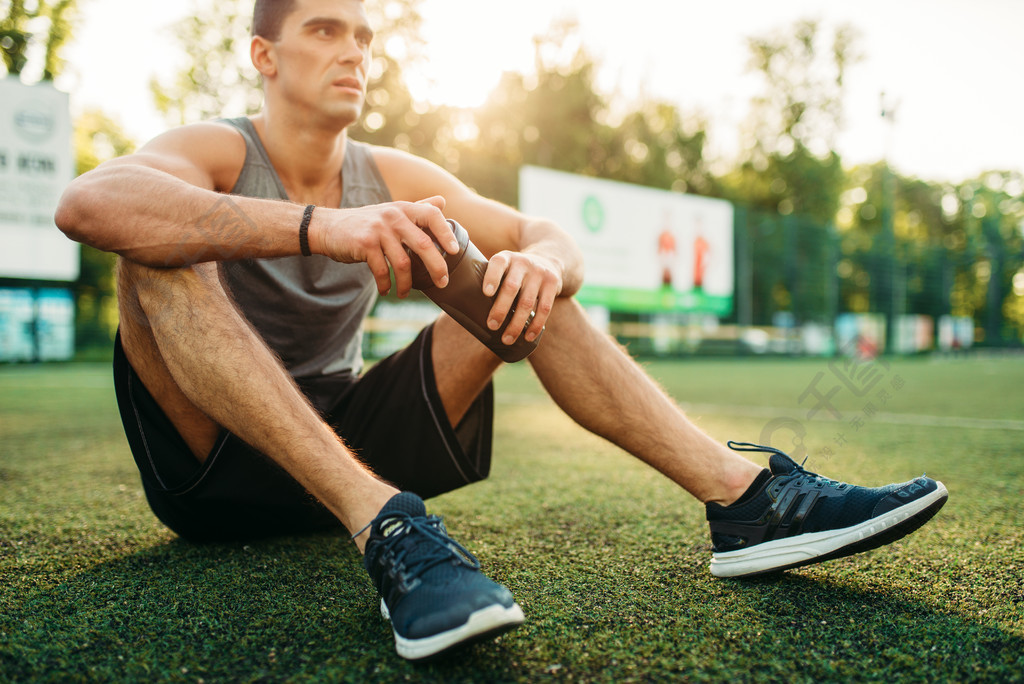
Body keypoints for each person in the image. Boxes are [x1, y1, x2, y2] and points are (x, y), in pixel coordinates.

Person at [55, 0, 948, 662]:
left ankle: (746, 503)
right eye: (324, 30)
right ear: (264, 54)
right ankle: (389, 530)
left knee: (511, 277)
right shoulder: (217, 149)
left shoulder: (388, 170)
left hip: (345, 433)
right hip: (211, 470)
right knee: (152, 251)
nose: (353, 52)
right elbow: (89, 203)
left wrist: (545, 266)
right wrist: (318, 228)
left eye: (363, 36)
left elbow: (540, 235)